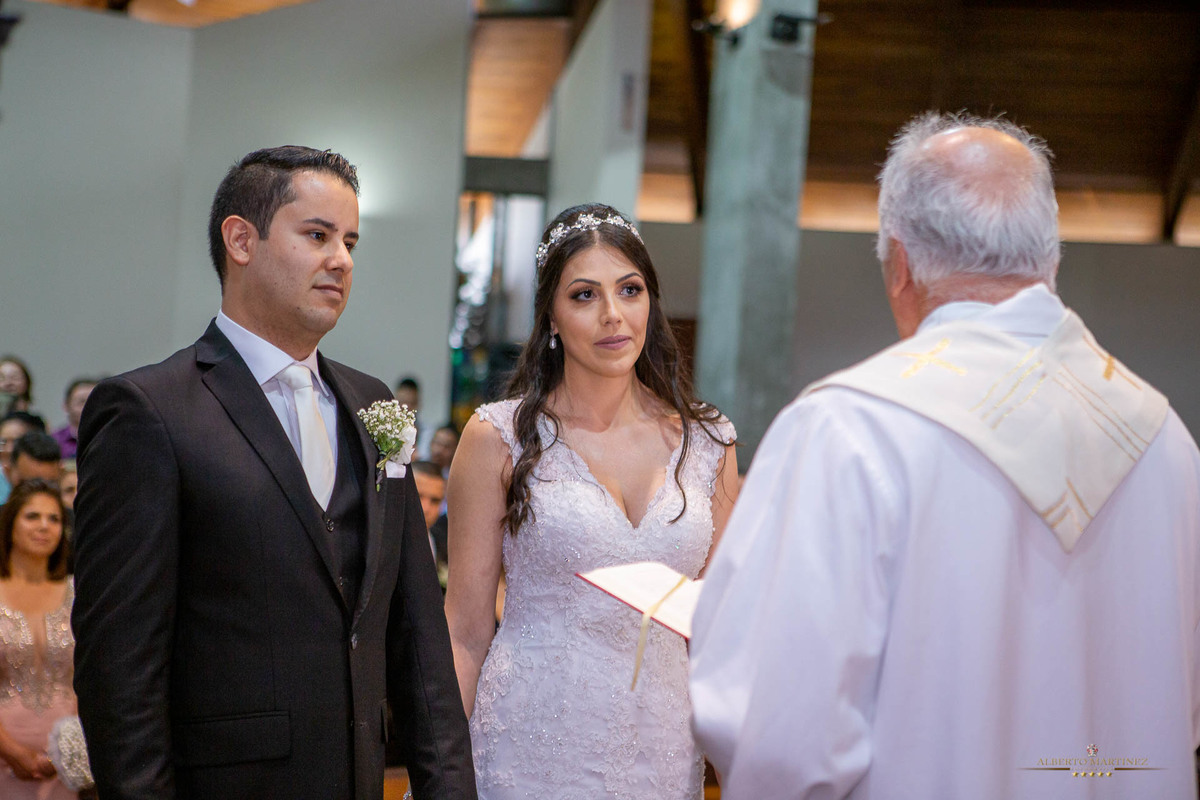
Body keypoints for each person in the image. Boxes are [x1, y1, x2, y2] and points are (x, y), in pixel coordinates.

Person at [689, 112, 1200, 799]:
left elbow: (780, 737)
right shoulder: (1165, 440)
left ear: (900, 262)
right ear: (1049, 258)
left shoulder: (848, 429)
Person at [72, 146, 475, 800]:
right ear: (241, 239)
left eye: (350, 241)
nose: (341, 260)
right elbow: (119, 666)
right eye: (317, 235)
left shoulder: (374, 407)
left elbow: (419, 641)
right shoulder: (153, 411)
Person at [446, 203, 739, 799]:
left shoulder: (710, 443)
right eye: (584, 295)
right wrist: (442, 776)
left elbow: (726, 632)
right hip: (527, 742)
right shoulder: (498, 437)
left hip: (661, 748)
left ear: (650, 303)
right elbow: (466, 631)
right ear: (550, 317)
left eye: (629, 290)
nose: (613, 316)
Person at [0, 479, 77, 800]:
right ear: (10, 523)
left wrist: (77, 750)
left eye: (54, 518)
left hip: (70, 758)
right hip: (4, 754)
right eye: (32, 516)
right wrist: (11, 750)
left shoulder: (79, 593)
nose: (44, 526)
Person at [51, 380, 97, 460]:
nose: (88, 407)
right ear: (66, 405)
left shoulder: (109, 437)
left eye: (93, 401)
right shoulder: (55, 440)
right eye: (82, 402)